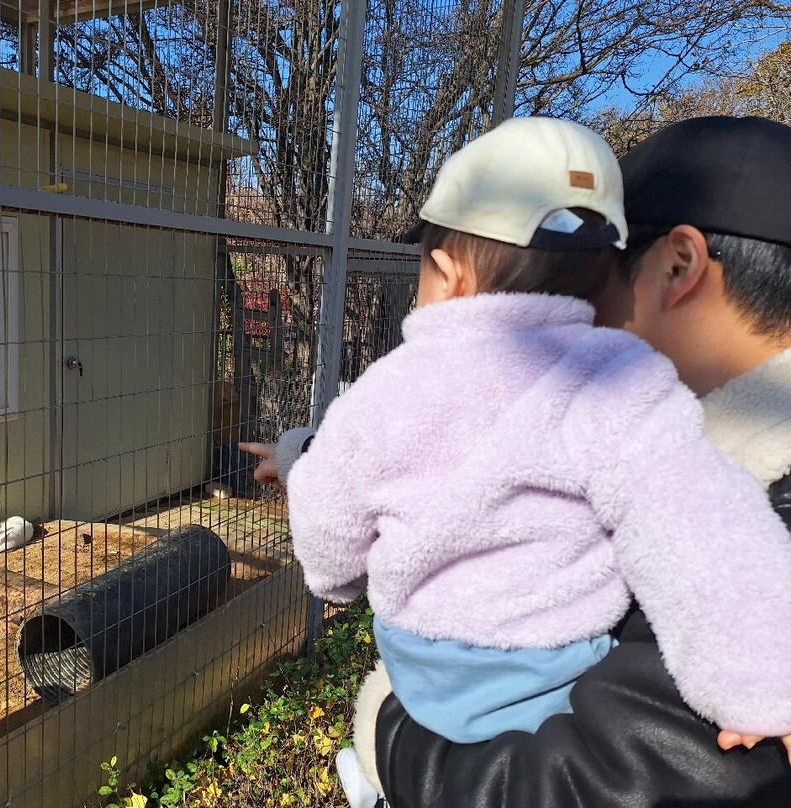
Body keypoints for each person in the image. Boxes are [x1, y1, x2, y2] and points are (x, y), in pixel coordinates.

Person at [240, 115, 791, 807]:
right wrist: (761, 687)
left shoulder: (393, 385)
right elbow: (693, 514)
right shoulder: (636, 400)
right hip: (547, 664)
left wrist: (375, 698)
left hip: (424, 674)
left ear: (677, 268)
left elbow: (342, 494)